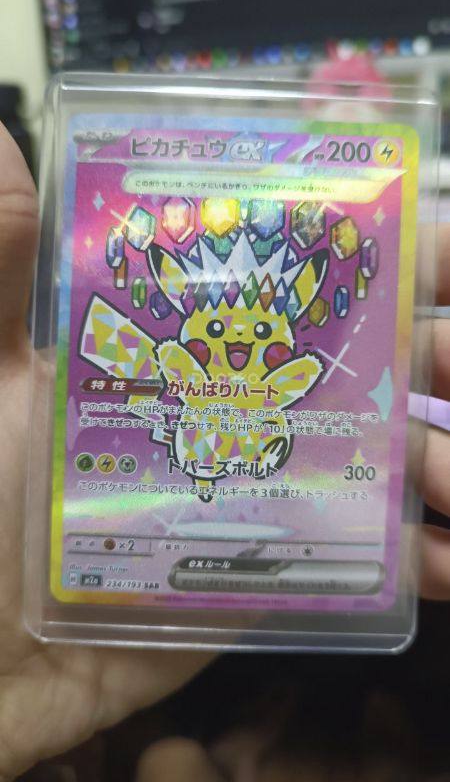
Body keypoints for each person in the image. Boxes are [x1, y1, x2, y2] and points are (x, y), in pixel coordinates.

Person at [0, 122, 449, 781]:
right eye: (216, 326)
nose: (239, 342)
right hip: (176, 496)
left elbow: (296, 378)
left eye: (263, 332)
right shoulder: (180, 366)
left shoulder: (283, 379)